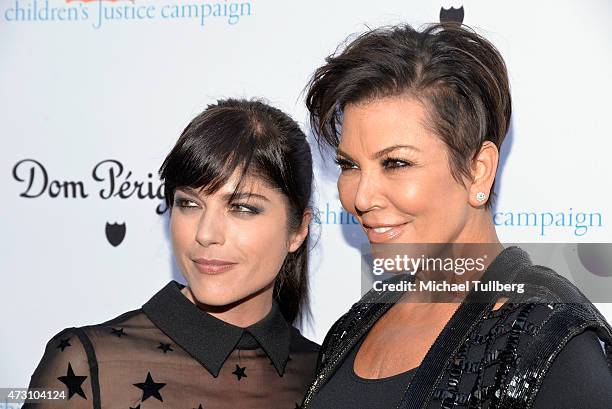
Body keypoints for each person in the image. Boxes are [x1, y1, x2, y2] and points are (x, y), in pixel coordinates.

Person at [300, 23, 612, 408]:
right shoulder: (357, 323)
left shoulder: (547, 341)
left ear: (479, 170)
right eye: (349, 165)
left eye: (395, 163)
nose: (361, 197)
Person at [23, 98, 319, 409]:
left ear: (298, 229)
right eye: (189, 204)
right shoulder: (86, 365)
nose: (206, 234)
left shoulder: (324, 376)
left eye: (242, 208)